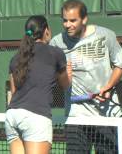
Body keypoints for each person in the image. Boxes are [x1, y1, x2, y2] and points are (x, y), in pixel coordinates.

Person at [50, 0, 122, 154]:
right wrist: (64, 77)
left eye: (73, 20)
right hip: (75, 116)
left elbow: (120, 64)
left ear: (84, 19)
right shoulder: (56, 43)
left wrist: (108, 87)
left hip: (106, 115)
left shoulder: (106, 36)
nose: (67, 25)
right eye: (65, 21)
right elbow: (55, 80)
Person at [5, 15, 72, 154]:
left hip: (12, 116)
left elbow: (13, 91)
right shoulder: (56, 54)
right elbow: (65, 85)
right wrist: (68, 74)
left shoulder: (15, 58)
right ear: (46, 31)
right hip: (36, 119)